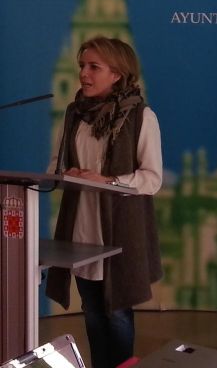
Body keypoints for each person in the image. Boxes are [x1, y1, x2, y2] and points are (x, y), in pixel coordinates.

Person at [46, 36, 163, 368]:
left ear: (117, 74)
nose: (84, 73)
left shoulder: (141, 117)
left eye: (94, 67)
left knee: (117, 313)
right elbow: (54, 166)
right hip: (81, 230)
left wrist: (108, 181)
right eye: (82, 66)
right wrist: (65, 173)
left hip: (119, 233)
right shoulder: (74, 114)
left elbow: (152, 179)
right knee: (93, 312)